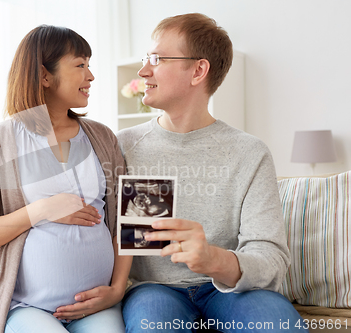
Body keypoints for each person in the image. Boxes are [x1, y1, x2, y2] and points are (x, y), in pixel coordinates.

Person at [117, 13, 309, 332]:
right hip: (154, 288)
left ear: (198, 70)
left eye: (157, 59)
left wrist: (213, 259)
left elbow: (271, 258)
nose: (142, 71)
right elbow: (119, 238)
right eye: (145, 59)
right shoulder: (126, 146)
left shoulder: (249, 152)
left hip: (230, 291)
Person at [0, 25, 131, 333]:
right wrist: (42, 210)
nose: (91, 76)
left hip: (97, 303)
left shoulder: (102, 137)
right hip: (28, 306)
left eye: (90, 66)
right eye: (80, 65)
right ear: (45, 75)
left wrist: (116, 290)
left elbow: (129, 221)